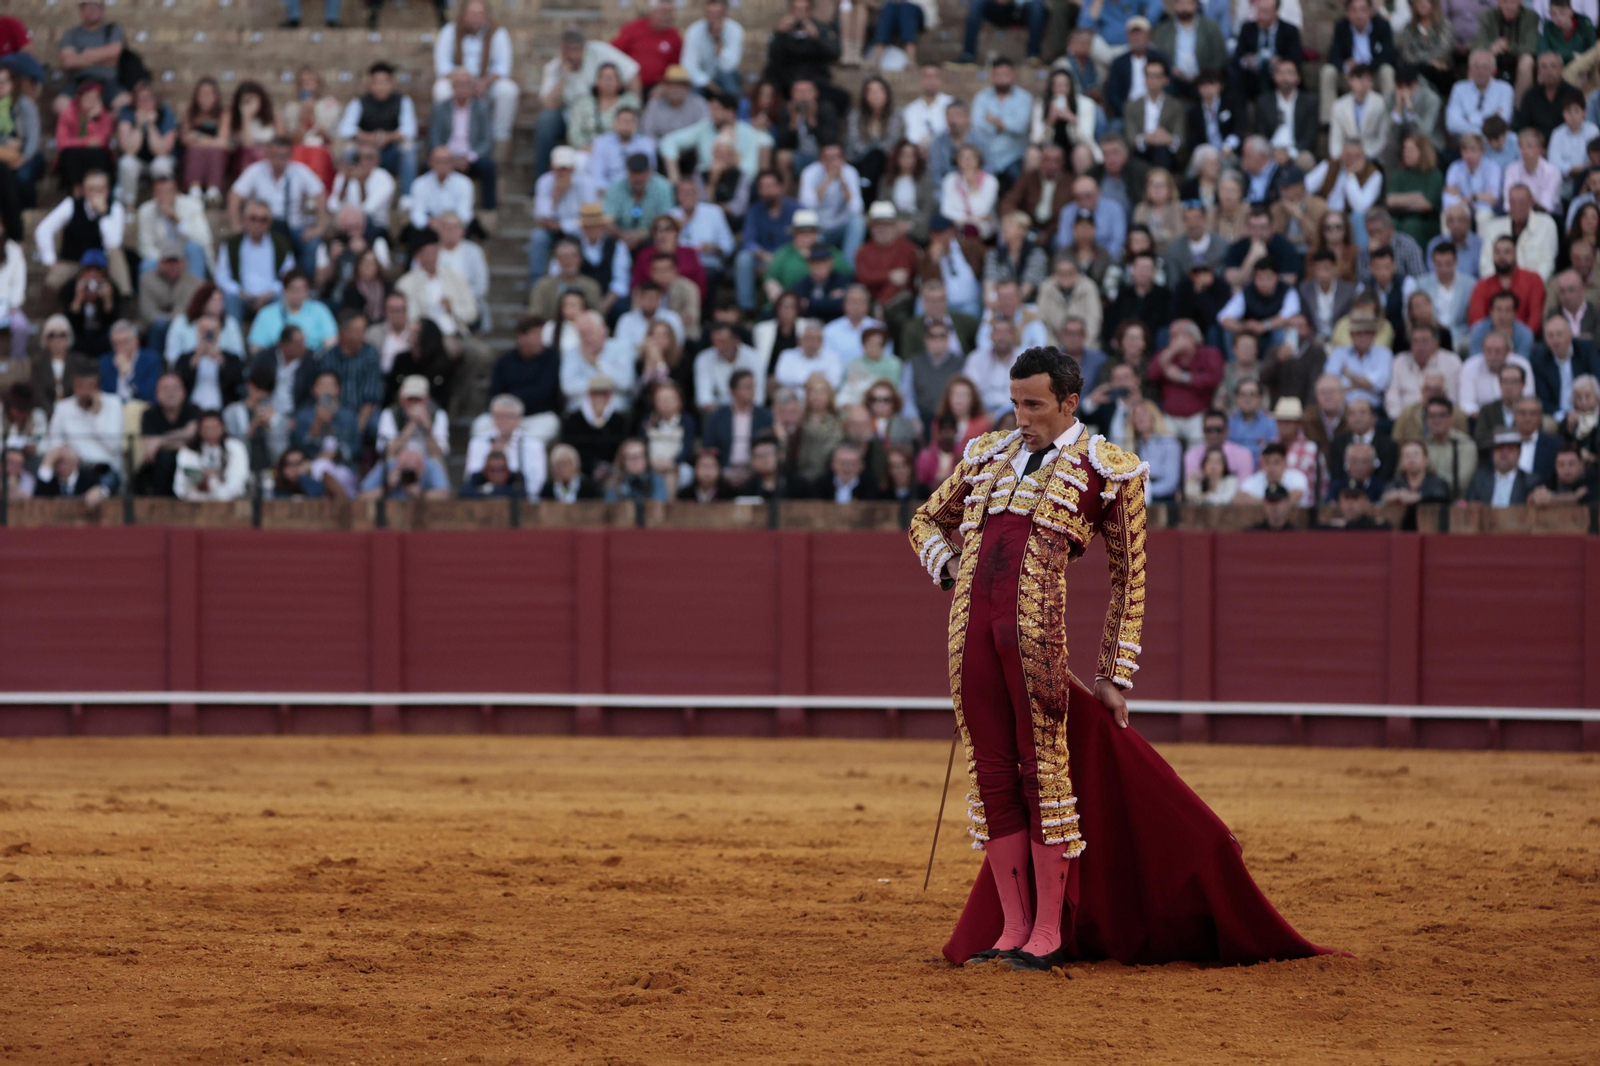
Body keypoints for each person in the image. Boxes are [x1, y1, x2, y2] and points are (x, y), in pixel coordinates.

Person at [911, 343, 1331, 970]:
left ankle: (1048, 931)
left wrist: (1115, 674)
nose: (1021, 417)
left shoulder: (1109, 469)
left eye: (1034, 405)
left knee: (1043, 775)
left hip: (1037, 640)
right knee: (993, 776)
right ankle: (1012, 927)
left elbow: (1129, 578)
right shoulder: (984, 456)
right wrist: (946, 569)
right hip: (967, 636)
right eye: (1015, 403)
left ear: (1069, 403)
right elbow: (925, 519)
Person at [431, 0, 518, 148]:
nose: (476, 17)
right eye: (472, 13)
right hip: (458, 82)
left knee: (508, 90)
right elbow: (442, 66)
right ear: (463, 15)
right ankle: (446, 136)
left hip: (486, 82)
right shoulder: (449, 31)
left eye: (480, 13)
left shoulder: (498, 32)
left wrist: (484, 82)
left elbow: (503, 67)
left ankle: (500, 136)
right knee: (440, 90)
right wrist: (464, 83)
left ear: (486, 15)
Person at [337, 63, 418, 197]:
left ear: (391, 84)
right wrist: (369, 138)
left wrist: (387, 137)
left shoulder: (403, 101)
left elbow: (410, 129)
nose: (380, 87)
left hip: (391, 151)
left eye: (384, 82)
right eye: (376, 83)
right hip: (365, 152)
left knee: (409, 151)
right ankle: (341, 194)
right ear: (370, 84)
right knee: (348, 152)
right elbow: (345, 129)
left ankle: (406, 197)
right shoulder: (359, 102)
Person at [1465, 428, 1537, 505]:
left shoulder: (1530, 482)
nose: (1504, 452)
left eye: (1510, 448)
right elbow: (1468, 505)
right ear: (1493, 453)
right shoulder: (1479, 480)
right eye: (1499, 447)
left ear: (1519, 453)